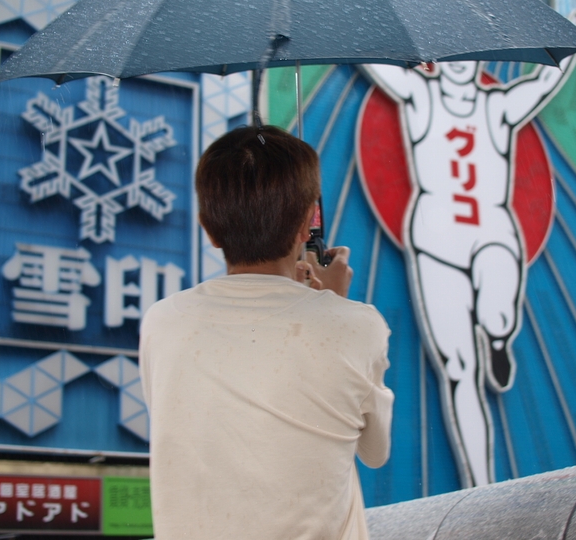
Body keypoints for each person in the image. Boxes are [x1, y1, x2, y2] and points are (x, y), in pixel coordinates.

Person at [360, 5, 576, 487]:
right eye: (449, 52)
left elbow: (541, 84)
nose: (460, 61)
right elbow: (374, 64)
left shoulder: (497, 107)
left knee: (497, 313)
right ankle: (481, 487)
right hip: (435, 243)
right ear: (435, 59)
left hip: (492, 235)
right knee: (459, 369)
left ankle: (499, 338)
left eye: (469, 52)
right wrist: (348, 17)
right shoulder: (420, 96)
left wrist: (572, 46)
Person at [140, 125, 394, 539]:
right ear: (306, 226)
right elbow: (375, 452)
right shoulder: (357, 325)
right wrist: (332, 306)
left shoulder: (162, 320)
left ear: (208, 228)